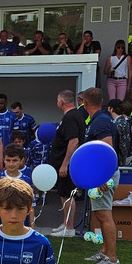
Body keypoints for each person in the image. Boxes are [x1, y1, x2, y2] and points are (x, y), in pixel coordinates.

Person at [81, 88, 121, 264]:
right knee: (100, 214)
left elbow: (107, 151)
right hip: (100, 174)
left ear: (85, 103)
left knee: (105, 216)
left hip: (104, 175)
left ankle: (112, 259)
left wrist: (103, 177)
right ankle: (105, 251)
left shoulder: (101, 122)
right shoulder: (99, 120)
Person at [47, 90, 83, 238]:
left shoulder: (71, 117)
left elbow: (73, 140)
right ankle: (65, 223)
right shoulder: (73, 116)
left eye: (57, 100)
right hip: (63, 163)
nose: (57, 103)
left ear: (62, 102)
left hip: (66, 165)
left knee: (67, 195)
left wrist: (64, 164)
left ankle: (69, 228)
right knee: (63, 194)